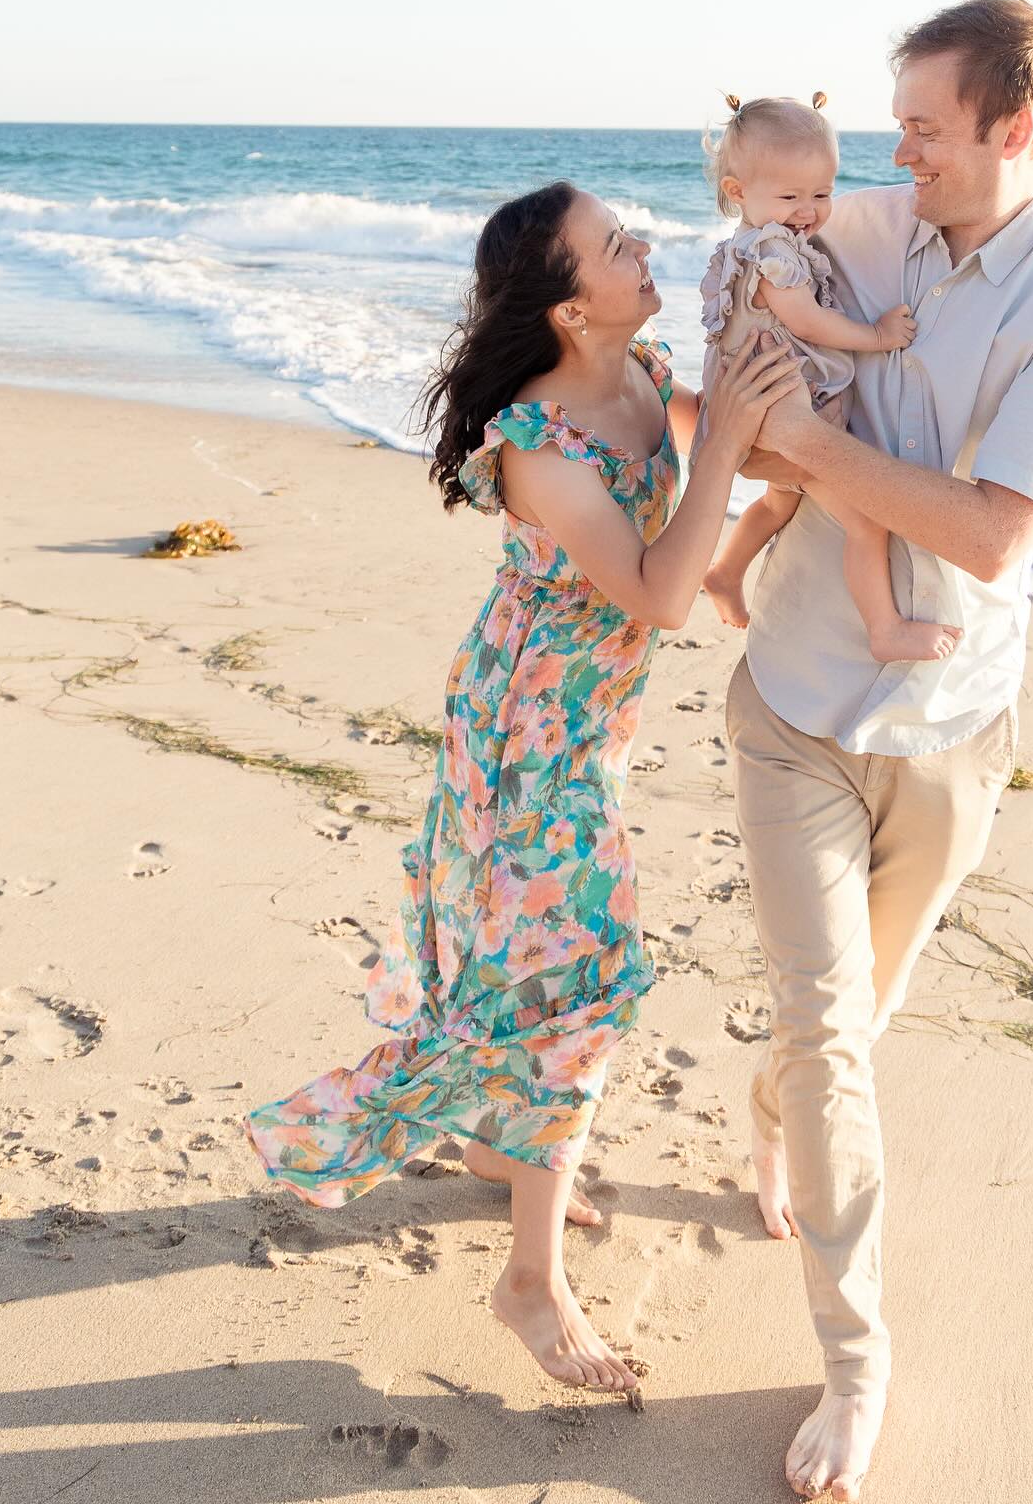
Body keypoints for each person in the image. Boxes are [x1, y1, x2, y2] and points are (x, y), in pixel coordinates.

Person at [247, 181, 799, 1394]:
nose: (643, 246)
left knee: (519, 961)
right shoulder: (543, 447)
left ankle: (504, 1150)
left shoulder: (644, 367)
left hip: (578, 720)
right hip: (524, 736)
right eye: (616, 245)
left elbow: (740, 436)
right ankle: (530, 1284)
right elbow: (658, 592)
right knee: (579, 983)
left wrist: (778, 357)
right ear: (565, 306)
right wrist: (723, 447)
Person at [724, 0, 1033, 1501]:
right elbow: (744, 320)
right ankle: (857, 1358)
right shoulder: (867, 225)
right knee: (828, 1022)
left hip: (952, 727)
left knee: (851, 1021)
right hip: (791, 702)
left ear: (1011, 130)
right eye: (893, 126)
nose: (890, 156)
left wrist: (812, 454)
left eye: (922, 127)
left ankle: (774, 1113)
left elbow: (989, 533)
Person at [697, 92, 960, 663]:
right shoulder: (772, 253)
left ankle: (724, 571)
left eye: (822, 193)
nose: (808, 209)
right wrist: (878, 336)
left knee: (777, 503)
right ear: (737, 192)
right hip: (782, 412)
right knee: (867, 523)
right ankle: (885, 629)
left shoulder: (753, 243)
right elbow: (808, 322)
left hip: (761, 406)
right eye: (790, 195)